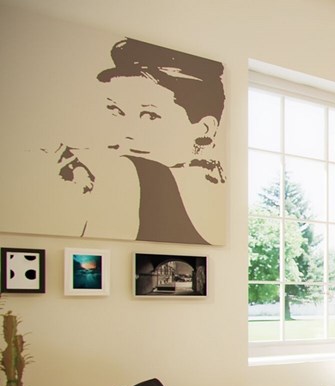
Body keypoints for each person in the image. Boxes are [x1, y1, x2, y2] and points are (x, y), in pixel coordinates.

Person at [46, 38, 226, 244]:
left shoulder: (126, 172)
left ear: (204, 129)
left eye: (150, 115)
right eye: (116, 111)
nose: (126, 132)